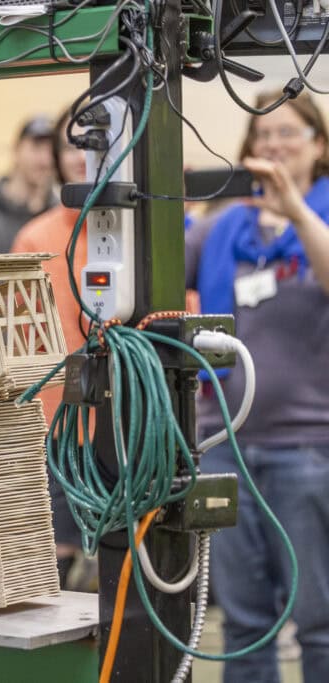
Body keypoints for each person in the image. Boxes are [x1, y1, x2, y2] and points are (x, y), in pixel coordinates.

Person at [185, 91, 329, 683]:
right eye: (262, 136)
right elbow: (160, 267)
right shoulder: (224, 225)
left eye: (288, 134)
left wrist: (296, 210)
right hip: (225, 444)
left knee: (320, 623)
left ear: (319, 145)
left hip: (309, 450)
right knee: (244, 623)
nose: (272, 147)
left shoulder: (319, 214)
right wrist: (168, 202)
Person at [10, 107, 89, 587]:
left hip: (130, 432)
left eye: (93, 141)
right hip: (56, 430)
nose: (81, 155)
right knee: (54, 569)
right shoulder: (35, 238)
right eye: (70, 144)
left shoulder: (153, 230)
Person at [0, 115, 58, 255]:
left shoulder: (58, 217)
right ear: (16, 149)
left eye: (52, 151)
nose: (46, 160)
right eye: (36, 147)